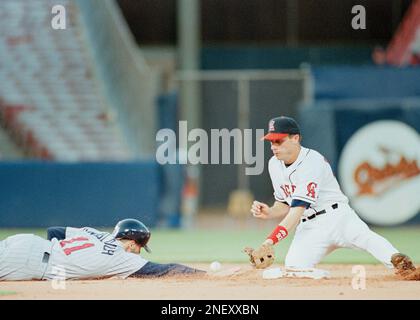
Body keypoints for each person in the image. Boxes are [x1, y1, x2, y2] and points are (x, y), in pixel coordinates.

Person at [244, 116, 419, 280]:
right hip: (310, 227)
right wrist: (270, 211)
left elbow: (296, 211)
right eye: (271, 141)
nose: (274, 146)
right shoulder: (274, 164)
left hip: (337, 217)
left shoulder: (312, 162)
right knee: (294, 266)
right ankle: (324, 280)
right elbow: (284, 203)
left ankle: (400, 263)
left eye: (279, 140)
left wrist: (270, 241)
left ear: (295, 138)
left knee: (366, 238)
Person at [0, 218, 204, 281]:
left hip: (25, 242)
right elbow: (162, 270)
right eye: (140, 248)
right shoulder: (122, 257)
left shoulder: (93, 232)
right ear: (132, 243)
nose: (138, 253)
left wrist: (61, 258)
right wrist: (205, 275)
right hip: (27, 262)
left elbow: (54, 231)